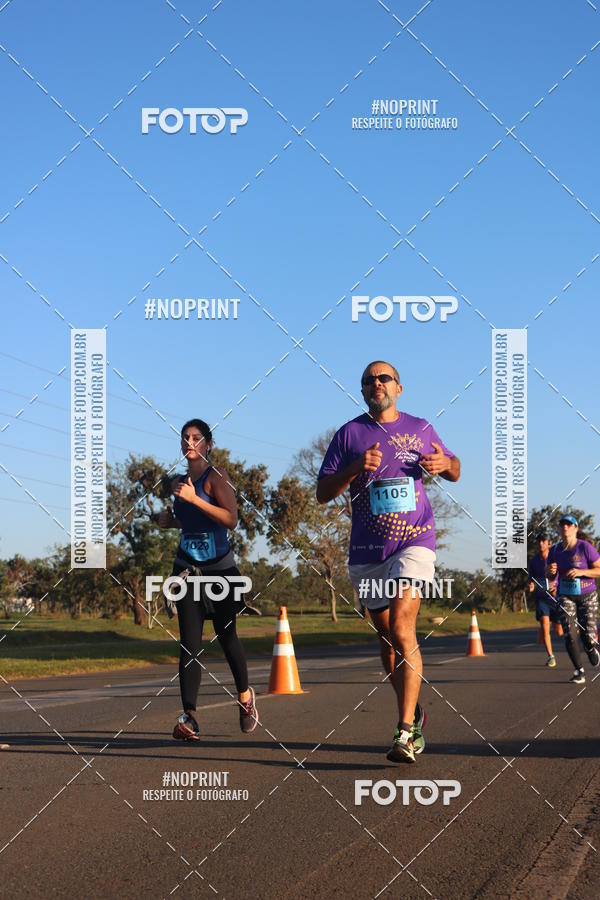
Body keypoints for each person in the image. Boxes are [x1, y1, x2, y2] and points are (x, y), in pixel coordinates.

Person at [316, 361, 460, 763]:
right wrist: (353, 469)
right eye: (368, 380)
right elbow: (322, 492)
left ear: (399, 387)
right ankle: (413, 710)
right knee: (387, 639)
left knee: (402, 625)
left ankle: (404, 732)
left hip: (414, 541)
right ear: (362, 391)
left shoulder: (421, 428)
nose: (376, 384)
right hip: (367, 553)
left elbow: (456, 467)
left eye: (383, 378)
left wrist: (444, 465)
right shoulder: (349, 435)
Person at [157, 418, 259, 739]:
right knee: (189, 644)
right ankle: (189, 717)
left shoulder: (216, 478)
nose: (190, 442)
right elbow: (189, 522)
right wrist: (168, 521)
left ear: (208, 444)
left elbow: (231, 520)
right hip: (187, 570)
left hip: (219, 573)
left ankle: (245, 697)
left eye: (196, 437)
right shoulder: (179, 482)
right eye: (185, 438)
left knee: (227, 638)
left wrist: (195, 499)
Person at [547, 515, 600, 684]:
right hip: (566, 595)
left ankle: (591, 647)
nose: (565, 527)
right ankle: (579, 671)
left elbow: (599, 569)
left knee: (587, 637)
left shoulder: (585, 548)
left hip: (588, 596)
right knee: (569, 633)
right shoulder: (554, 550)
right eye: (562, 524)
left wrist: (582, 572)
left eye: (569, 524)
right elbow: (549, 575)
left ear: (576, 528)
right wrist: (551, 571)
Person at [528, 532, 563, 667]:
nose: (540, 543)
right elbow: (531, 579)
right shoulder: (534, 561)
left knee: (559, 631)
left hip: (555, 598)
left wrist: (557, 587)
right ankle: (551, 656)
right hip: (541, 598)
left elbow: (562, 575)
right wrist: (531, 585)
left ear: (549, 543)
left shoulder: (556, 558)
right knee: (545, 626)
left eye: (543, 541)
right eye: (539, 541)